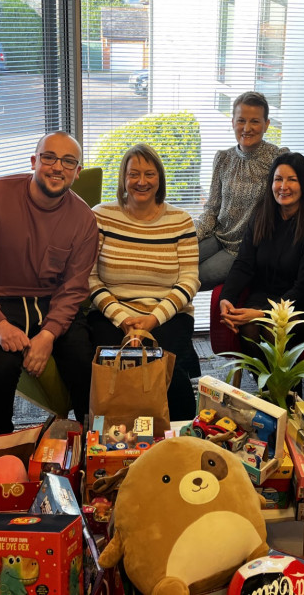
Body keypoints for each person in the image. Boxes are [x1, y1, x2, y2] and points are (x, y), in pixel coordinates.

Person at [0, 131, 98, 436]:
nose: (58, 167)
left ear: (77, 172)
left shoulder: (84, 219)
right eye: (49, 157)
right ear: (34, 161)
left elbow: (74, 287)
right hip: (2, 301)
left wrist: (48, 334)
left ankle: (93, 444)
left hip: (53, 302)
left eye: (68, 161)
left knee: (86, 365)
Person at [87, 143, 201, 420]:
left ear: (159, 178)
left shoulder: (180, 221)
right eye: (133, 174)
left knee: (165, 371)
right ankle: (110, 437)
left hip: (167, 315)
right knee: (110, 370)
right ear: (123, 178)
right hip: (111, 314)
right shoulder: (101, 215)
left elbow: (189, 280)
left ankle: (180, 436)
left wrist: (151, 320)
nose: (141, 181)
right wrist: (123, 318)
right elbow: (90, 277)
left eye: (149, 174)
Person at [196, 91, 304, 290]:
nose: (247, 128)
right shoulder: (223, 158)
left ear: (266, 124)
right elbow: (212, 208)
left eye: (255, 121)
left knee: (195, 277)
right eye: (241, 120)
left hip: (243, 249)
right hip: (218, 235)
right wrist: (192, 236)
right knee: (172, 264)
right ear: (233, 121)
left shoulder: (276, 158)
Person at [219, 152, 304, 374]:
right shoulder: (262, 214)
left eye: (292, 179)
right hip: (263, 297)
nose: (283, 186)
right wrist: (226, 298)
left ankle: (281, 396)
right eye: (278, 179)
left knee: (272, 329)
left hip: (302, 305)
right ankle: (267, 392)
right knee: (248, 326)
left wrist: (262, 314)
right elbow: (243, 264)